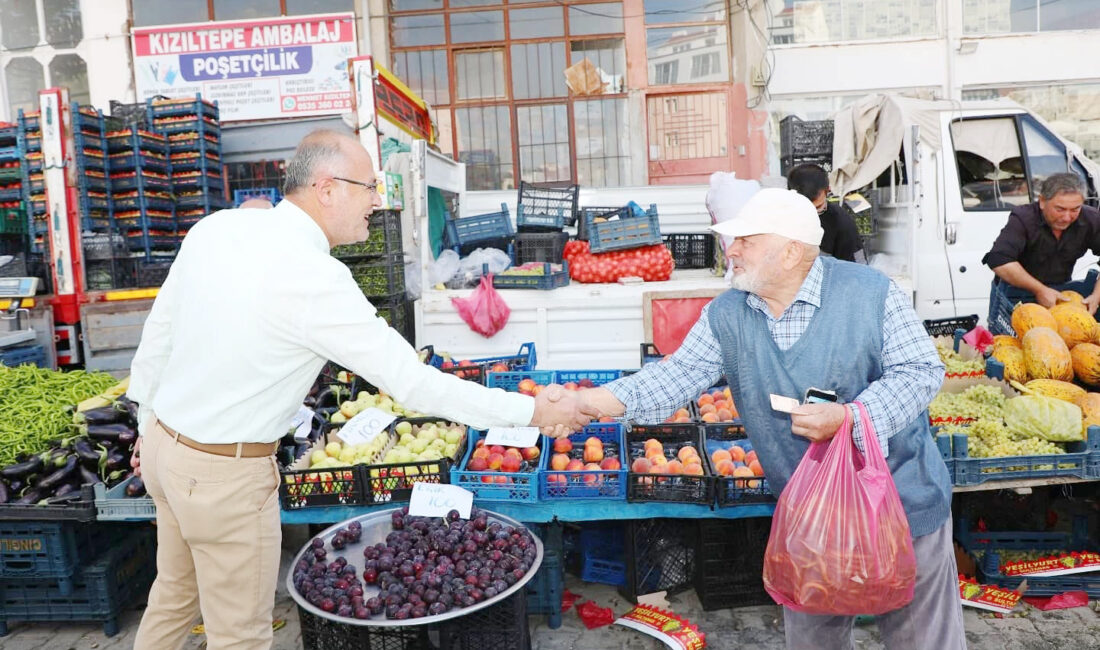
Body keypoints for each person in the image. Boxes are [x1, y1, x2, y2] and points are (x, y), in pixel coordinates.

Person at [126, 129, 594, 650]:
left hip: (167, 451)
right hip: (223, 475)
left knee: (173, 596)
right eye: (370, 187)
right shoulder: (314, 278)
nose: (377, 201)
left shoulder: (217, 229)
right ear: (327, 188)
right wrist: (530, 409)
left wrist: (147, 419)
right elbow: (411, 383)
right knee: (240, 636)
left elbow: (159, 330)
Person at [577, 188, 963, 650]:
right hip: (812, 519)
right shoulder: (729, 314)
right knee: (814, 639)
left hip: (901, 504)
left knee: (923, 639)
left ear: (791, 252)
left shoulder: (871, 293)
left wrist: (850, 419)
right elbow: (673, 378)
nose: (732, 250)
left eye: (746, 240)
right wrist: (588, 403)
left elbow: (921, 372)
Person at [982, 172, 1100, 314]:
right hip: (1013, 295)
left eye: (1075, 209)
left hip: (1059, 293)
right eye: (1060, 209)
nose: (1067, 217)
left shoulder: (1091, 219)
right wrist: (1039, 290)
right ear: (1042, 201)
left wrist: (1096, 297)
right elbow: (999, 260)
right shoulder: (1023, 218)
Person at [786, 163, 863, 263]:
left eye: (818, 208)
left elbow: (857, 269)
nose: (812, 215)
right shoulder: (781, 218)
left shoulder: (841, 222)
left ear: (827, 191)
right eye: (806, 209)